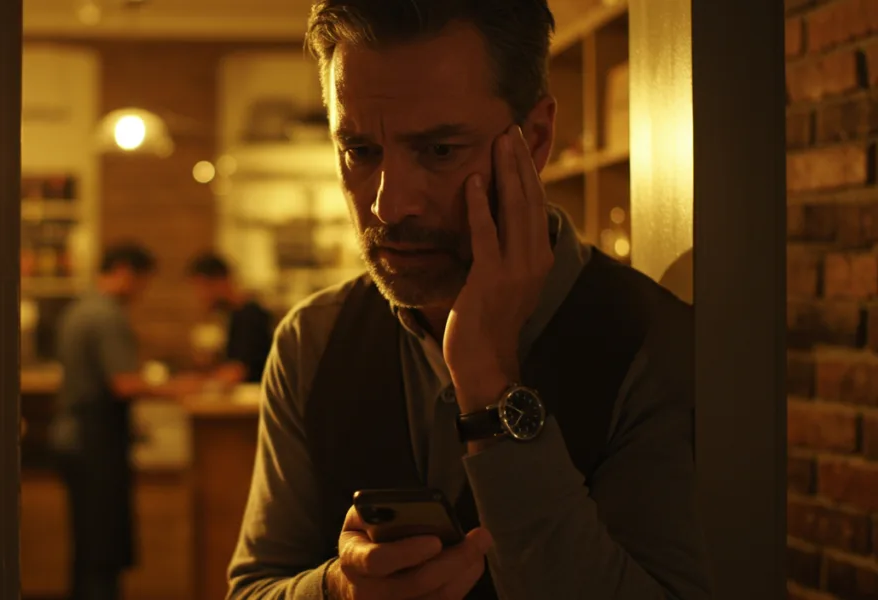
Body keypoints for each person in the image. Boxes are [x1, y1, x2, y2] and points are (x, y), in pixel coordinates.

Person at [227, 2, 711, 599]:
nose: (388, 205)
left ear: (535, 139)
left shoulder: (650, 341)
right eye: (360, 150)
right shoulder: (313, 340)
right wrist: (338, 590)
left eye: (439, 151)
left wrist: (488, 385)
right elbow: (252, 588)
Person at [50, 242, 202, 600]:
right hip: (95, 440)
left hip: (74, 435)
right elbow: (124, 383)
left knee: (88, 543)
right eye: (142, 281)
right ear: (123, 271)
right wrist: (178, 388)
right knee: (103, 546)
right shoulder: (107, 315)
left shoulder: (80, 308)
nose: (142, 291)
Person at [187, 252, 274, 384]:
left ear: (220, 282)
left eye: (201, 287)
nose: (200, 296)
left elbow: (237, 372)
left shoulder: (250, 315)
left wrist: (196, 384)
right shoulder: (230, 316)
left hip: (253, 394)